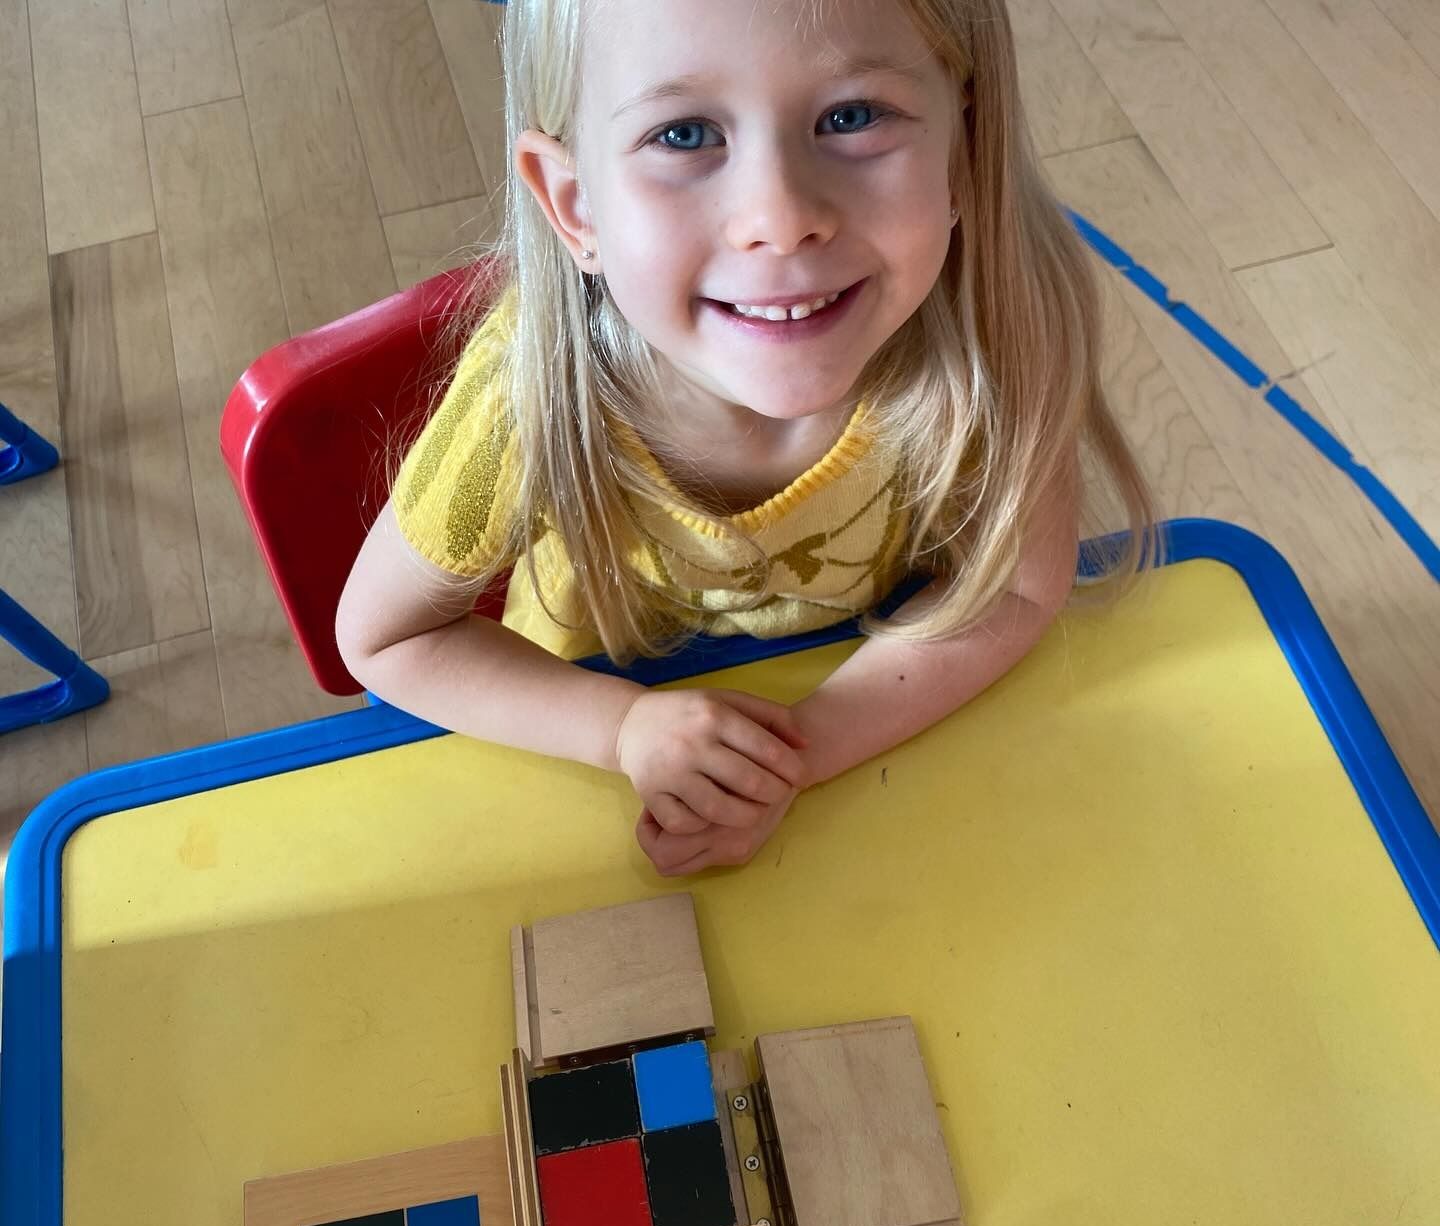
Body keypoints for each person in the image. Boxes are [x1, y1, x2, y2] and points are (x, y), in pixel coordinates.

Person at [336, 0, 1160, 877]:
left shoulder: (999, 328)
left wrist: (798, 751)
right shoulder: (525, 397)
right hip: (589, 745)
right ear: (575, 206)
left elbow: (1014, 593)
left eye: (851, 116)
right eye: (686, 135)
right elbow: (387, 639)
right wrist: (620, 729)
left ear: (966, 147)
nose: (781, 216)